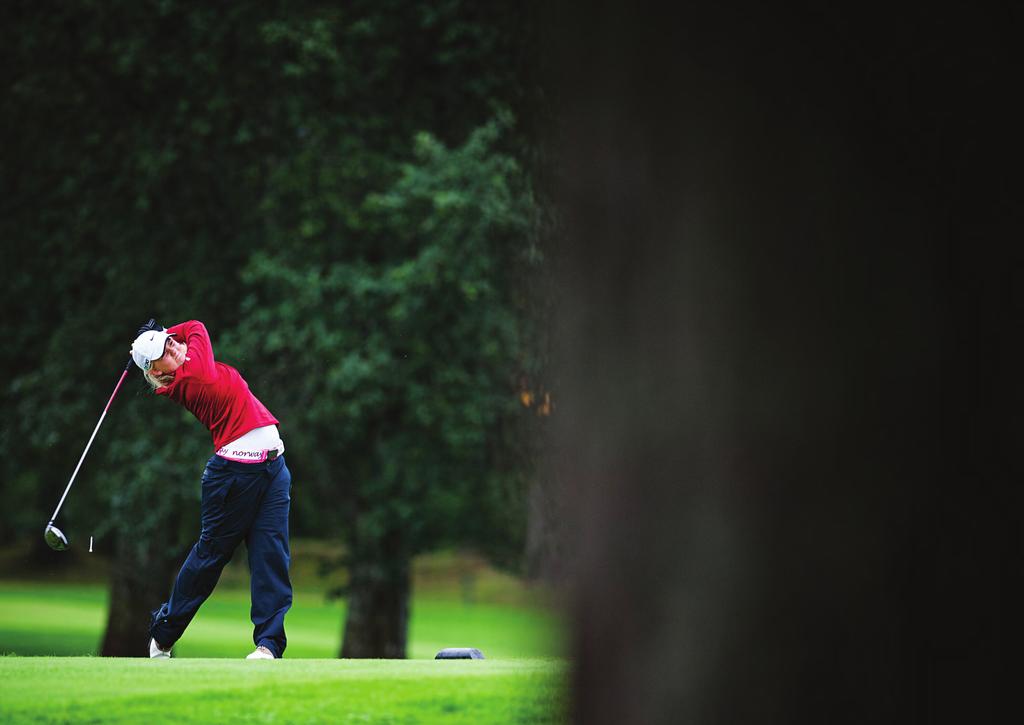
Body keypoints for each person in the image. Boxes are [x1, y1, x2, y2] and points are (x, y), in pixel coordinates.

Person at [130, 319, 292, 660]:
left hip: (273, 470)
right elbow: (198, 327)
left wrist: (158, 333)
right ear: (157, 372)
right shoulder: (193, 377)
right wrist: (169, 330)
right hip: (233, 478)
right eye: (163, 351)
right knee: (210, 557)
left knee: (271, 556)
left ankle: (269, 645)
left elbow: (187, 334)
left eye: (169, 340)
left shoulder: (191, 366)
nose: (172, 345)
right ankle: (163, 635)